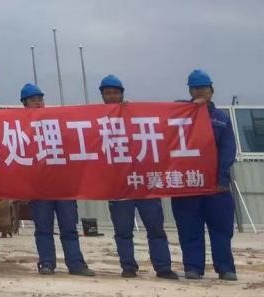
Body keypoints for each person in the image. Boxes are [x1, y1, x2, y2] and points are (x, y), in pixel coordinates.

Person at [99, 74, 178, 279]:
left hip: (145, 183)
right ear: (102, 96)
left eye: (115, 92)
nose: (111, 96)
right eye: (107, 93)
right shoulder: (96, 119)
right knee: (123, 231)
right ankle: (128, 267)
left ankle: (163, 267)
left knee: (156, 229)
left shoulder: (137, 114)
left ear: (122, 93)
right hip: (119, 186)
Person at [19, 83, 94, 276]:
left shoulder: (56, 121)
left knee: (69, 228)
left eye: (40, 99)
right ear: (25, 103)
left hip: (62, 186)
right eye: (33, 100)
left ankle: (76, 264)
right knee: (43, 229)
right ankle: (46, 263)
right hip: (39, 188)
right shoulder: (19, 127)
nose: (38, 102)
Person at [170, 69, 238, 281]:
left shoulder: (221, 119)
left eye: (203, 88)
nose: (200, 91)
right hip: (187, 184)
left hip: (216, 186)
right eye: (195, 88)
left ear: (212, 90)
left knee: (221, 229)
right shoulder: (180, 115)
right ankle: (193, 267)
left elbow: (228, 150)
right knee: (189, 228)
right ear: (190, 91)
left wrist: (221, 179)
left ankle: (225, 268)